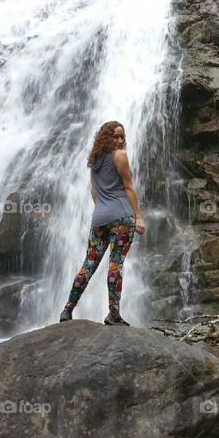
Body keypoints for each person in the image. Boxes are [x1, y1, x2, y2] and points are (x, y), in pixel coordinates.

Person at [59, 121, 146, 326]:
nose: (119, 140)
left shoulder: (95, 160)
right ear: (105, 137)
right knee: (115, 266)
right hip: (122, 219)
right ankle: (113, 313)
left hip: (99, 220)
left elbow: (94, 192)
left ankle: (67, 309)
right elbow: (129, 188)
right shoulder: (120, 156)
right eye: (115, 136)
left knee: (88, 265)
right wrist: (139, 217)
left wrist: (104, 209)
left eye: (121, 137)